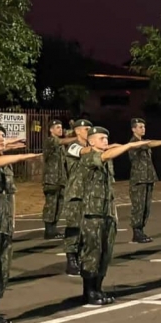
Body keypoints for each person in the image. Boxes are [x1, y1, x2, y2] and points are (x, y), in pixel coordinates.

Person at [67, 126, 151, 305]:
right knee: (92, 253)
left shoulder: (106, 161)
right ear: (91, 141)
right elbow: (104, 155)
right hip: (92, 213)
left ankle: (98, 289)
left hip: (106, 212)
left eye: (107, 138)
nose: (106, 141)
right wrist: (129, 146)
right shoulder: (88, 157)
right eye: (101, 138)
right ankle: (88, 291)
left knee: (105, 253)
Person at [0, 124, 43, 323]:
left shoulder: (5, 165)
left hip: (2, 224)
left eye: (3, 136)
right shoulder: (0, 161)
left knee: (0, 271)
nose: (1, 139)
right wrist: (22, 157)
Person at [127, 118, 161, 244]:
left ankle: (141, 230)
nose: (143, 129)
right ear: (133, 129)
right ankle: (136, 231)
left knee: (146, 207)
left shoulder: (143, 142)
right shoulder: (133, 143)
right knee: (138, 206)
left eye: (144, 127)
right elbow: (148, 144)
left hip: (147, 177)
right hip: (139, 179)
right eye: (140, 127)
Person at [62, 118, 93, 276]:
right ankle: (71, 259)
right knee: (74, 227)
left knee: (85, 228)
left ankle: (81, 257)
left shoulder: (90, 147)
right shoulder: (74, 147)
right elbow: (84, 152)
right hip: (76, 192)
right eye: (86, 129)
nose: (89, 131)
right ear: (77, 131)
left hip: (89, 192)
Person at [41, 119, 77, 240]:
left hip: (60, 179)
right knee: (51, 205)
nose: (60, 129)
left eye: (61, 127)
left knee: (59, 205)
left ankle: (53, 229)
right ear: (51, 130)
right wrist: (78, 138)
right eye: (57, 127)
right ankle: (49, 230)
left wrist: (75, 129)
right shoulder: (50, 141)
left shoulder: (60, 143)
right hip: (51, 179)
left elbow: (68, 136)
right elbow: (62, 141)